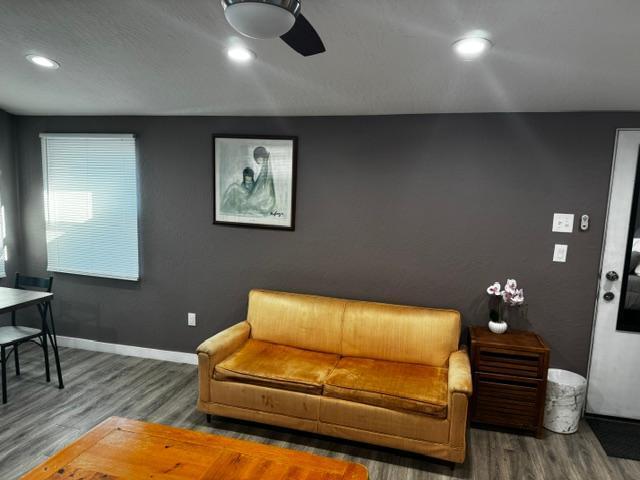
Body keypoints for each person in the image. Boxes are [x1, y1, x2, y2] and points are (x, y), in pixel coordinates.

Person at [220, 146, 276, 216]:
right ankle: (222, 207)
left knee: (233, 187)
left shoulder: (265, 170)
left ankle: (222, 207)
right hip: (258, 200)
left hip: (257, 201)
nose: (257, 161)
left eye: (256, 159)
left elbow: (259, 184)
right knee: (234, 187)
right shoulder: (265, 168)